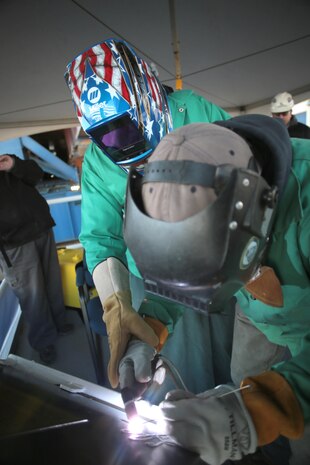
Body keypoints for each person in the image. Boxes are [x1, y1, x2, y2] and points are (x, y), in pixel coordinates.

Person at [122, 116, 310, 465]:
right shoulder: (206, 190)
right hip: (257, 310)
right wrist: (147, 330)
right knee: (244, 384)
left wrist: (258, 412)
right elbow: (178, 265)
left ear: (256, 215)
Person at [64, 37, 234, 395]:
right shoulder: (98, 162)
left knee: (236, 359)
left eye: (125, 129)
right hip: (153, 276)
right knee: (174, 372)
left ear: (148, 99)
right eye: (105, 138)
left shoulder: (195, 112)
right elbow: (101, 237)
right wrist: (117, 304)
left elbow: (244, 178)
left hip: (225, 260)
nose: (123, 149)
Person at [0, 154, 73, 364]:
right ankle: (43, 341)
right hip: (14, 244)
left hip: (41, 229)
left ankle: (59, 323)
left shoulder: (8, 162)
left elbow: (36, 174)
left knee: (52, 282)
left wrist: (13, 165)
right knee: (31, 294)